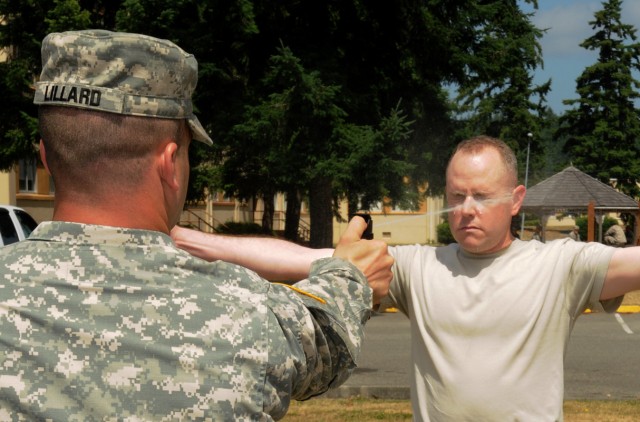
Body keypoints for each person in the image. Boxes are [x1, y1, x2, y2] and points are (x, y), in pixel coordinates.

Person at [0, 30, 394, 420]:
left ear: (46, 157)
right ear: (170, 162)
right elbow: (326, 337)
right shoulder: (246, 313)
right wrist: (351, 277)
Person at [171, 135, 640, 421]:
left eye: (483, 196)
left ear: (516, 200)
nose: (467, 209)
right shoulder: (418, 266)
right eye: (457, 195)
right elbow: (299, 260)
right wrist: (187, 239)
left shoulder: (561, 266)